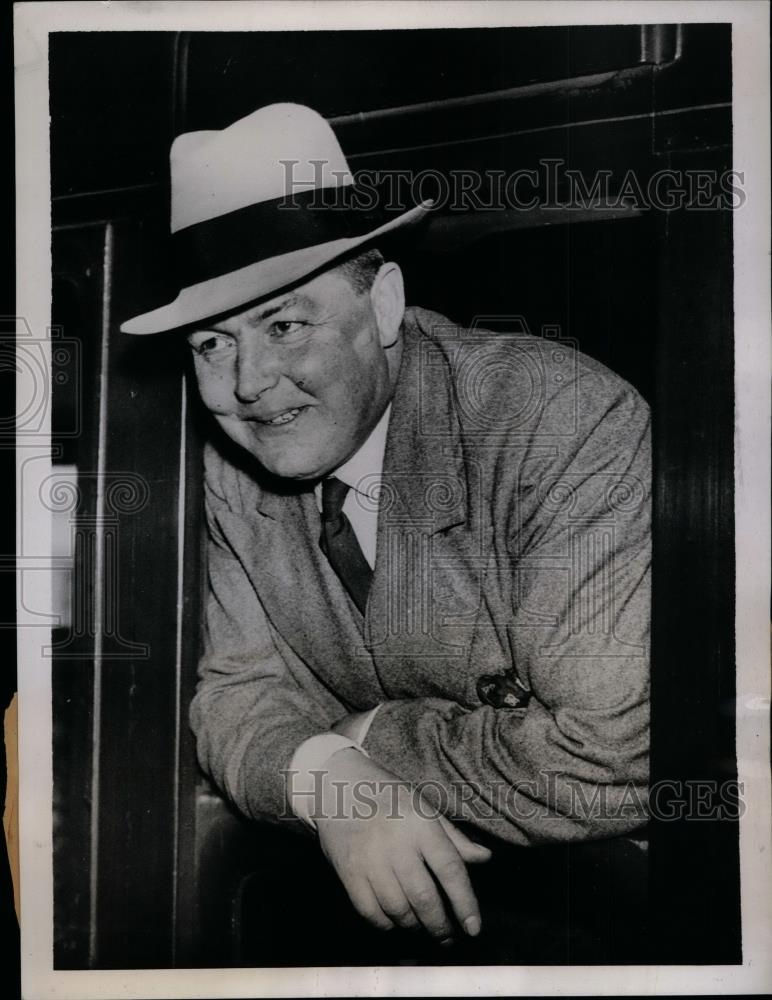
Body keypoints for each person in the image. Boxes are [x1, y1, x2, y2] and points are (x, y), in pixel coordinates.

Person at [121, 103, 650, 963]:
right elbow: (235, 696)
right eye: (212, 344)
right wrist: (330, 781)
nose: (248, 384)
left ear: (387, 303)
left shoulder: (555, 421)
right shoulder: (233, 467)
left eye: (285, 325)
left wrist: (369, 739)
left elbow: (612, 763)